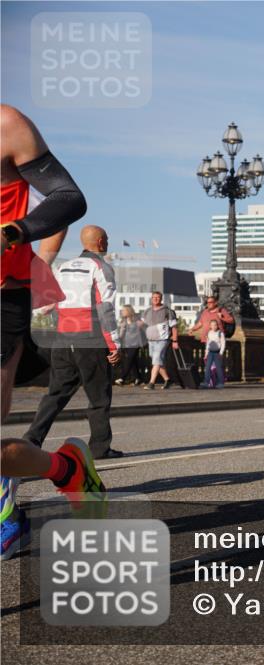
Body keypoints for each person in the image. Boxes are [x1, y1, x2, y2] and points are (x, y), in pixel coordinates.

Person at [2, 105, 98, 559]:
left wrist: (15, 233)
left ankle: (9, 513)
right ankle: (65, 468)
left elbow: (67, 198)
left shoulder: (7, 126)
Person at [23, 226, 123, 462]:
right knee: (99, 397)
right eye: (106, 239)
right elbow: (105, 308)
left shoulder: (63, 267)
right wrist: (114, 344)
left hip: (62, 339)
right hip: (90, 340)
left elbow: (47, 306)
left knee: (55, 395)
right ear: (100, 242)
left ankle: (31, 440)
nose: (107, 242)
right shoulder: (101, 267)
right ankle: (100, 448)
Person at [139, 291, 178, 390]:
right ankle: (168, 380)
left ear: (161, 299)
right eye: (153, 297)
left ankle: (151, 383)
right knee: (157, 361)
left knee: (156, 360)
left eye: (157, 297)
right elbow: (142, 324)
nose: (155, 299)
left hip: (162, 340)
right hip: (150, 340)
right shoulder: (147, 311)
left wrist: (175, 340)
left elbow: (174, 327)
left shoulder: (167, 311)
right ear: (151, 299)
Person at [115, 305, 145, 386]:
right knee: (132, 361)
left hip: (135, 344)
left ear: (128, 311)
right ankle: (138, 379)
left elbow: (143, 329)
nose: (122, 312)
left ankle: (122, 378)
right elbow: (121, 334)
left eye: (123, 310)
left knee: (129, 360)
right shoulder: (123, 320)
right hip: (126, 344)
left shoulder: (136, 320)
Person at [201, 319, 226, 388]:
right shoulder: (209, 333)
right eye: (212, 325)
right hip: (210, 352)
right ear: (210, 326)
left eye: (215, 325)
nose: (214, 326)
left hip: (217, 352)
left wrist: (221, 352)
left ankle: (221, 383)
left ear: (217, 326)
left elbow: (223, 343)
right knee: (207, 367)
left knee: (218, 368)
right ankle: (206, 382)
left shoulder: (220, 333)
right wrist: (206, 353)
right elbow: (208, 344)